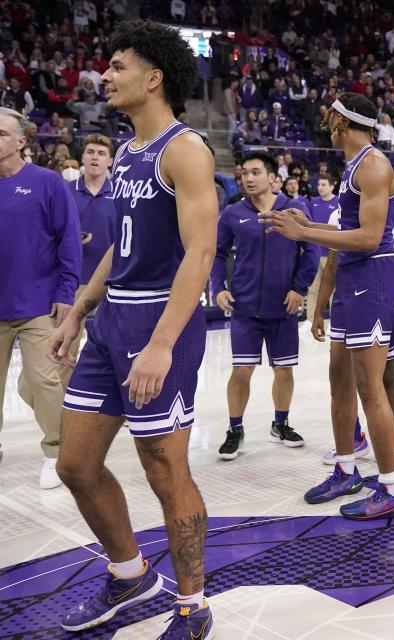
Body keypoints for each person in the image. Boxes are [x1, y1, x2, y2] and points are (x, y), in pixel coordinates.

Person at [47, 21, 218, 637]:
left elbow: (200, 254)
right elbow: (116, 249)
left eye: (119, 66)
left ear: (153, 79)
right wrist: (81, 309)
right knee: (75, 465)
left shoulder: (185, 150)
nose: (107, 76)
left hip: (159, 320)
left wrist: (162, 344)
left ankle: (193, 605)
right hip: (114, 315)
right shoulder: (127, 152)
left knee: (164, 466)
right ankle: (129, 573)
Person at [260, 93, 394, 520]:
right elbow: (346, 229)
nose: (326, 120)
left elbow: (368, 237)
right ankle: (346, 468)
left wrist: (305, 236)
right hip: (351, 278)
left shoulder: (373, 164)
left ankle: (392, 487)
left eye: (332, 114)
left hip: (372, 277)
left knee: (370, 387)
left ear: (343, 121)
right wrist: (307, 224)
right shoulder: (353, 165)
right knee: (339, 380)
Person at [211, 151, 320, 460]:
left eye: (256, 172)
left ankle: (281, 423)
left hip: (282, 308)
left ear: (274, 178)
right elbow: (217, 253)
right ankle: (235, 429)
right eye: (244, 172)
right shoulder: (232, 213)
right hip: (244, 308)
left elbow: (310, 250)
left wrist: (300, 288)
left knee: (283, 371)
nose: (248, 177)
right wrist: (218, 288)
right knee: (241, 370)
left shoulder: (294, 210)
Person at [308, 194, 394, 477]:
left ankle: (382, 434)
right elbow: (332, 266)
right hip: (347, 303)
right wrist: (319, 309)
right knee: (343, 380)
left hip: (383, 304)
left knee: (385, 377)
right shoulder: (339, 216)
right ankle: (353, 442)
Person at [0, 107, 80, 486]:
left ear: (21, 141)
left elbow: (68, 239)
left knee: (44, 380)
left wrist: (66, 291)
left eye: (2, 133)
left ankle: (57, 452)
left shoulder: (47, 183)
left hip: (38, 304)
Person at [61, 134, 114, 388]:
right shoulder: (65, 192)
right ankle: (64, 408)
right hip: (74, 282)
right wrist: (69, 241)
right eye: (91, 152)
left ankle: (115, 404)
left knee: (115, 346)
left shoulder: (121, 195)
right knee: (65, 351)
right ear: (83, 157)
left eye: (101, 153)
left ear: (110, 161)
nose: (95, 157)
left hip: (111, 283)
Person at [305, 173, 339, 324]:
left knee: (333, 288)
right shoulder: (313, 203)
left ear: (332, 186)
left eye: (324, 184)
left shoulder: (339, 202)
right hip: (314, 251)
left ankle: (335, 320)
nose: (320, 187)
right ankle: (310, 319)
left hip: (330, 251)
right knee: (313, 288)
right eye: (319, 185)